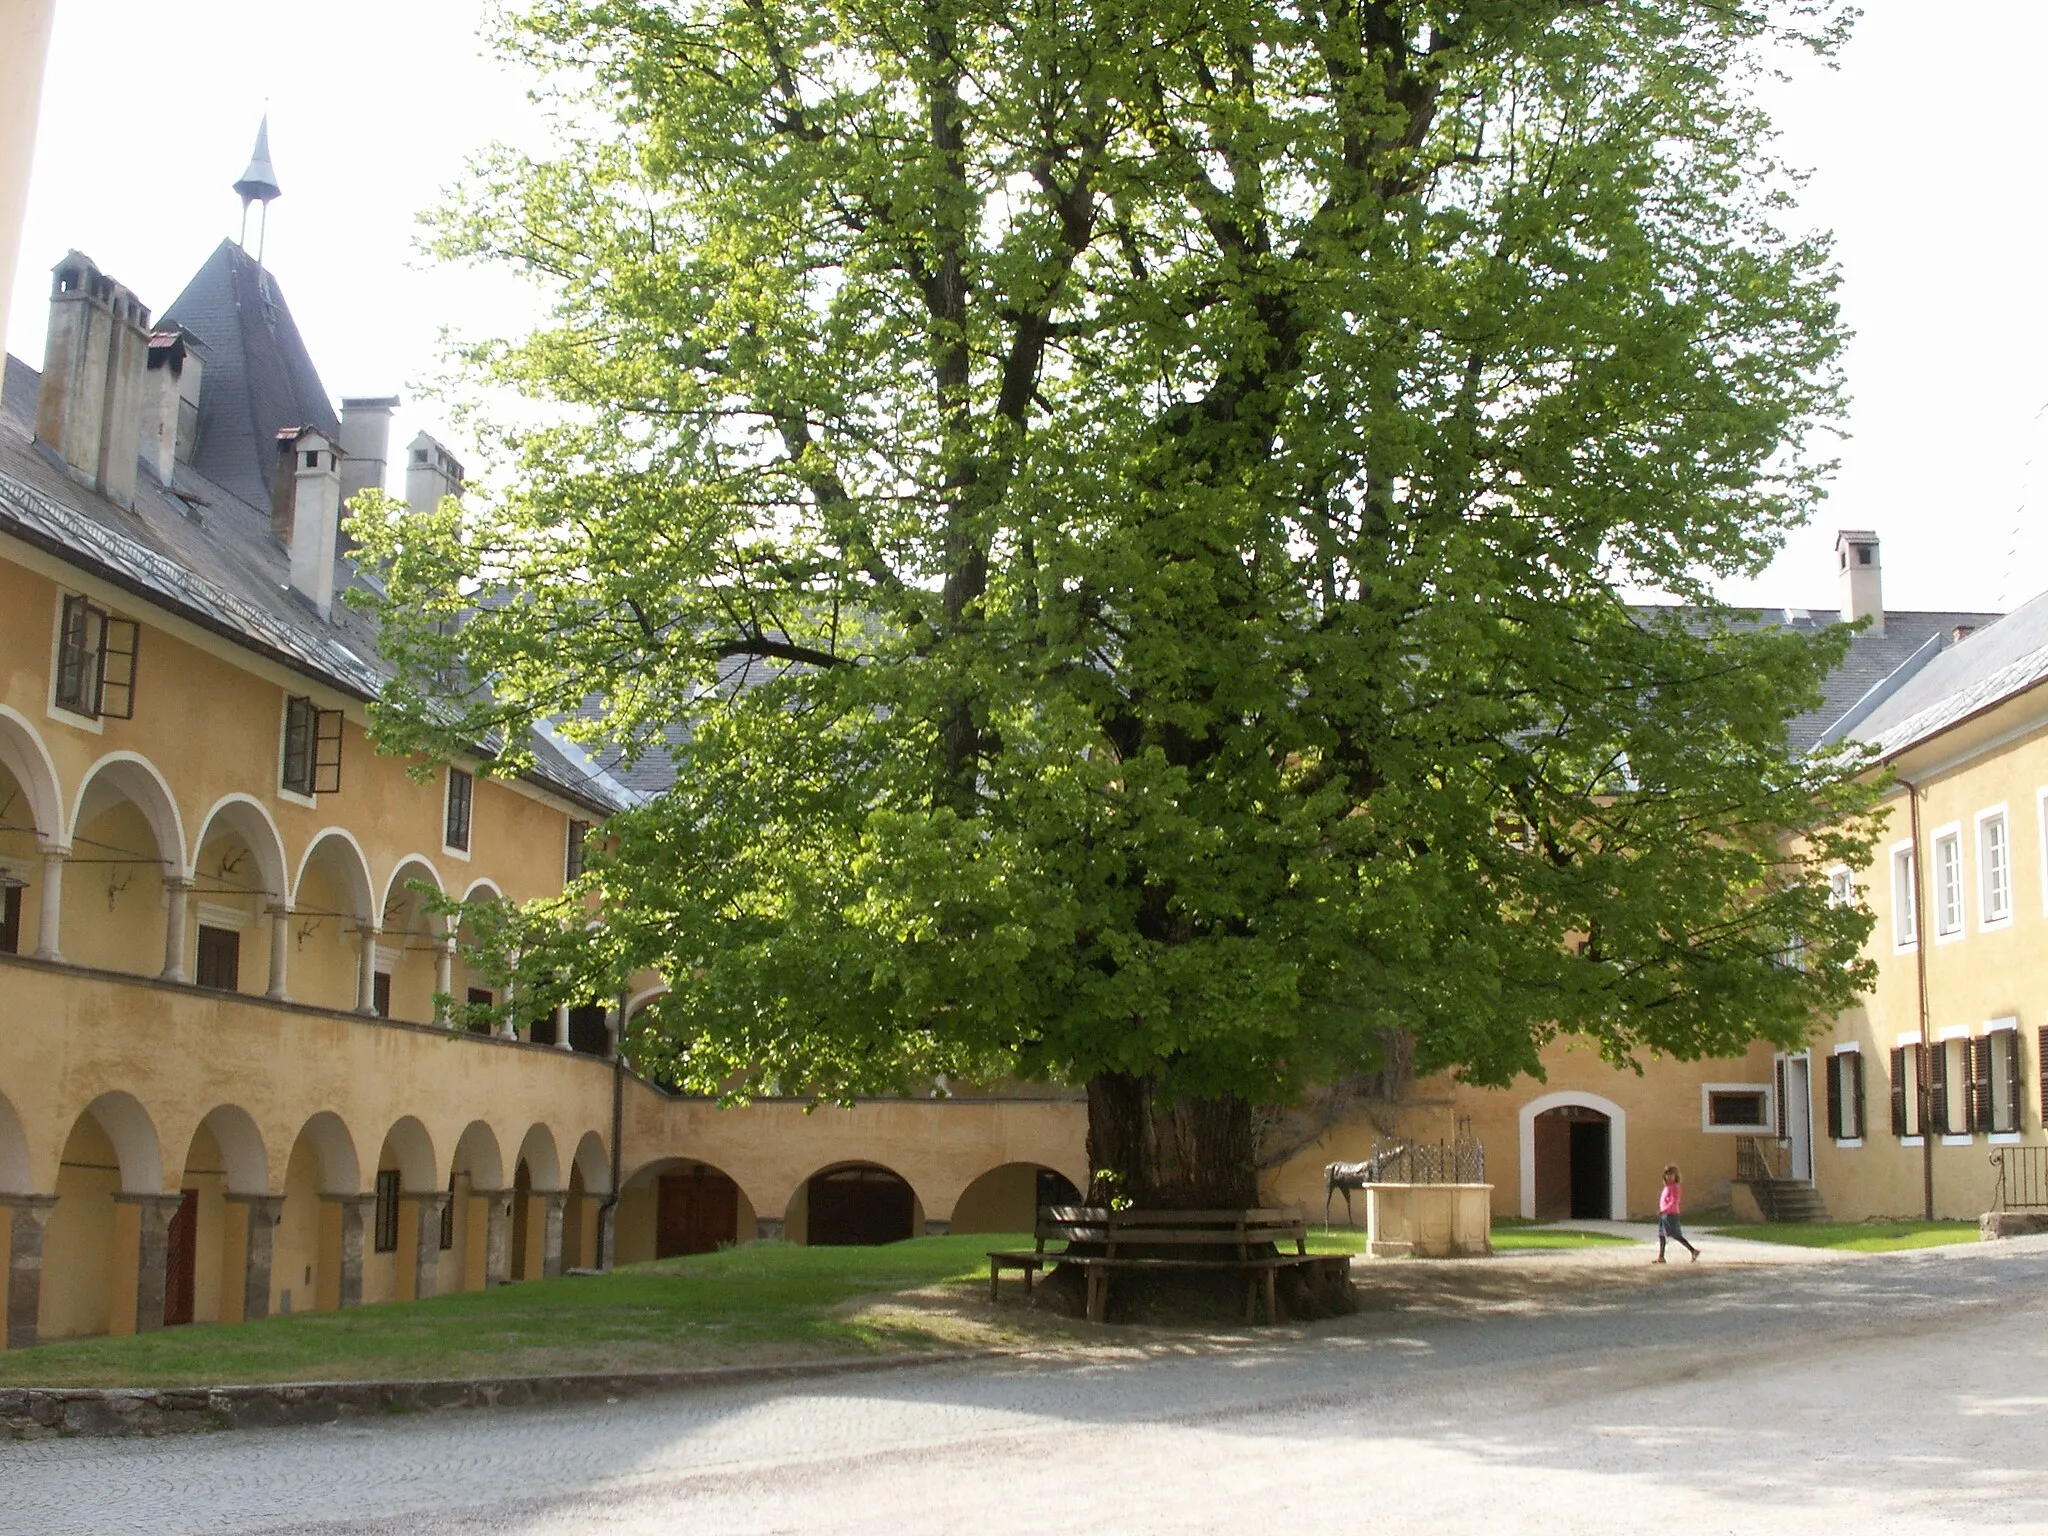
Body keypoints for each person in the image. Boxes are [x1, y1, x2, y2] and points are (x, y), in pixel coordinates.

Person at [1655, 1163, 1699, 1263]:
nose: (1669, 1177)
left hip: (1671, 1214)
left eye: (1671, 1174)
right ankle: (1661, 1257)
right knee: (1661, 1234)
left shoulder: (1675, 1187)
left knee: (1675, 1234)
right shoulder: (1667, 1187)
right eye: (1667, 1174)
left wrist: (1664, 1210)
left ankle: (1693, 1250)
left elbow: (1673, 1202)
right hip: (1664, 1214)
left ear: (1675, 1176)